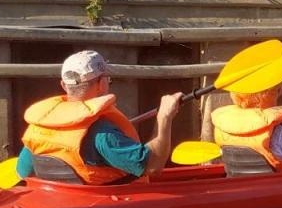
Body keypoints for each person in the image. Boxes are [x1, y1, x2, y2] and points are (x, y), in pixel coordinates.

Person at [16, 50, 182, 184]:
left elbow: (24, 172)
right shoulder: (103, 134)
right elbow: (153, 167)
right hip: (104, 201)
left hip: (58, 197)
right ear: (102, 83)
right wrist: (164, 118)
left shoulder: (38, 127)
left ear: (64, 85)